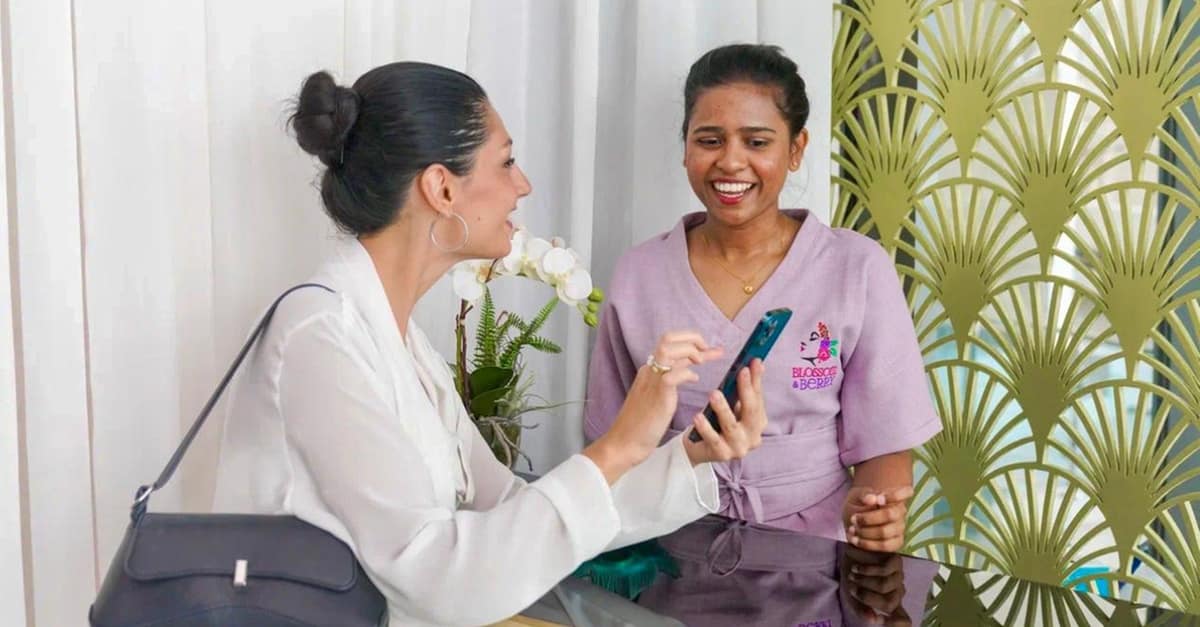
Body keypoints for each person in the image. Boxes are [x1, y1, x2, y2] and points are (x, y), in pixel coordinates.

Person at [212, 62, 768, 627]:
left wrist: (689, 455)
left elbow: (512, 513)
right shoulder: (320, 337)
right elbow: (440, 583)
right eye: (505, 162)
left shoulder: (401, 343)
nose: (522, 185)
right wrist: (618, 445)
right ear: (441, 188)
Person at [584, 44, 942, 552]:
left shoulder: (856, 269)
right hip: (667, 550)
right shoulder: (638, 275)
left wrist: (874, 512)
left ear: (796, 149)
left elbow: (886, 443)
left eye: (757, 141)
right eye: (709, 140)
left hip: (813, 555)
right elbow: (609, 451)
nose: (731, 161)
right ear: (685, 148)